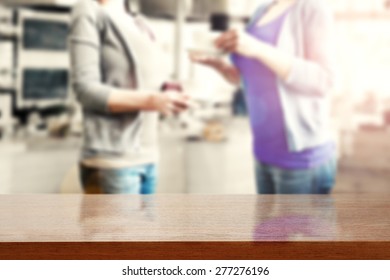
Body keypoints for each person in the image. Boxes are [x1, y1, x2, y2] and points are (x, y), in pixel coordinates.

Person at [191, 0, 337, 194]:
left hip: (300, 161)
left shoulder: (313, 8)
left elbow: (324, 81)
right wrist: (222, 67)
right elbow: (253, 78)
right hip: (263, 154)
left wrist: (259, 49)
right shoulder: (262, 10)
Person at [69, 0, 189, 194]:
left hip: (149, 158)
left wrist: (170, 93)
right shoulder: (88, 11)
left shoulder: (140, 22)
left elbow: (146, 83)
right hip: (112, 163)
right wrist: (152, 101)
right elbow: (86, 91)